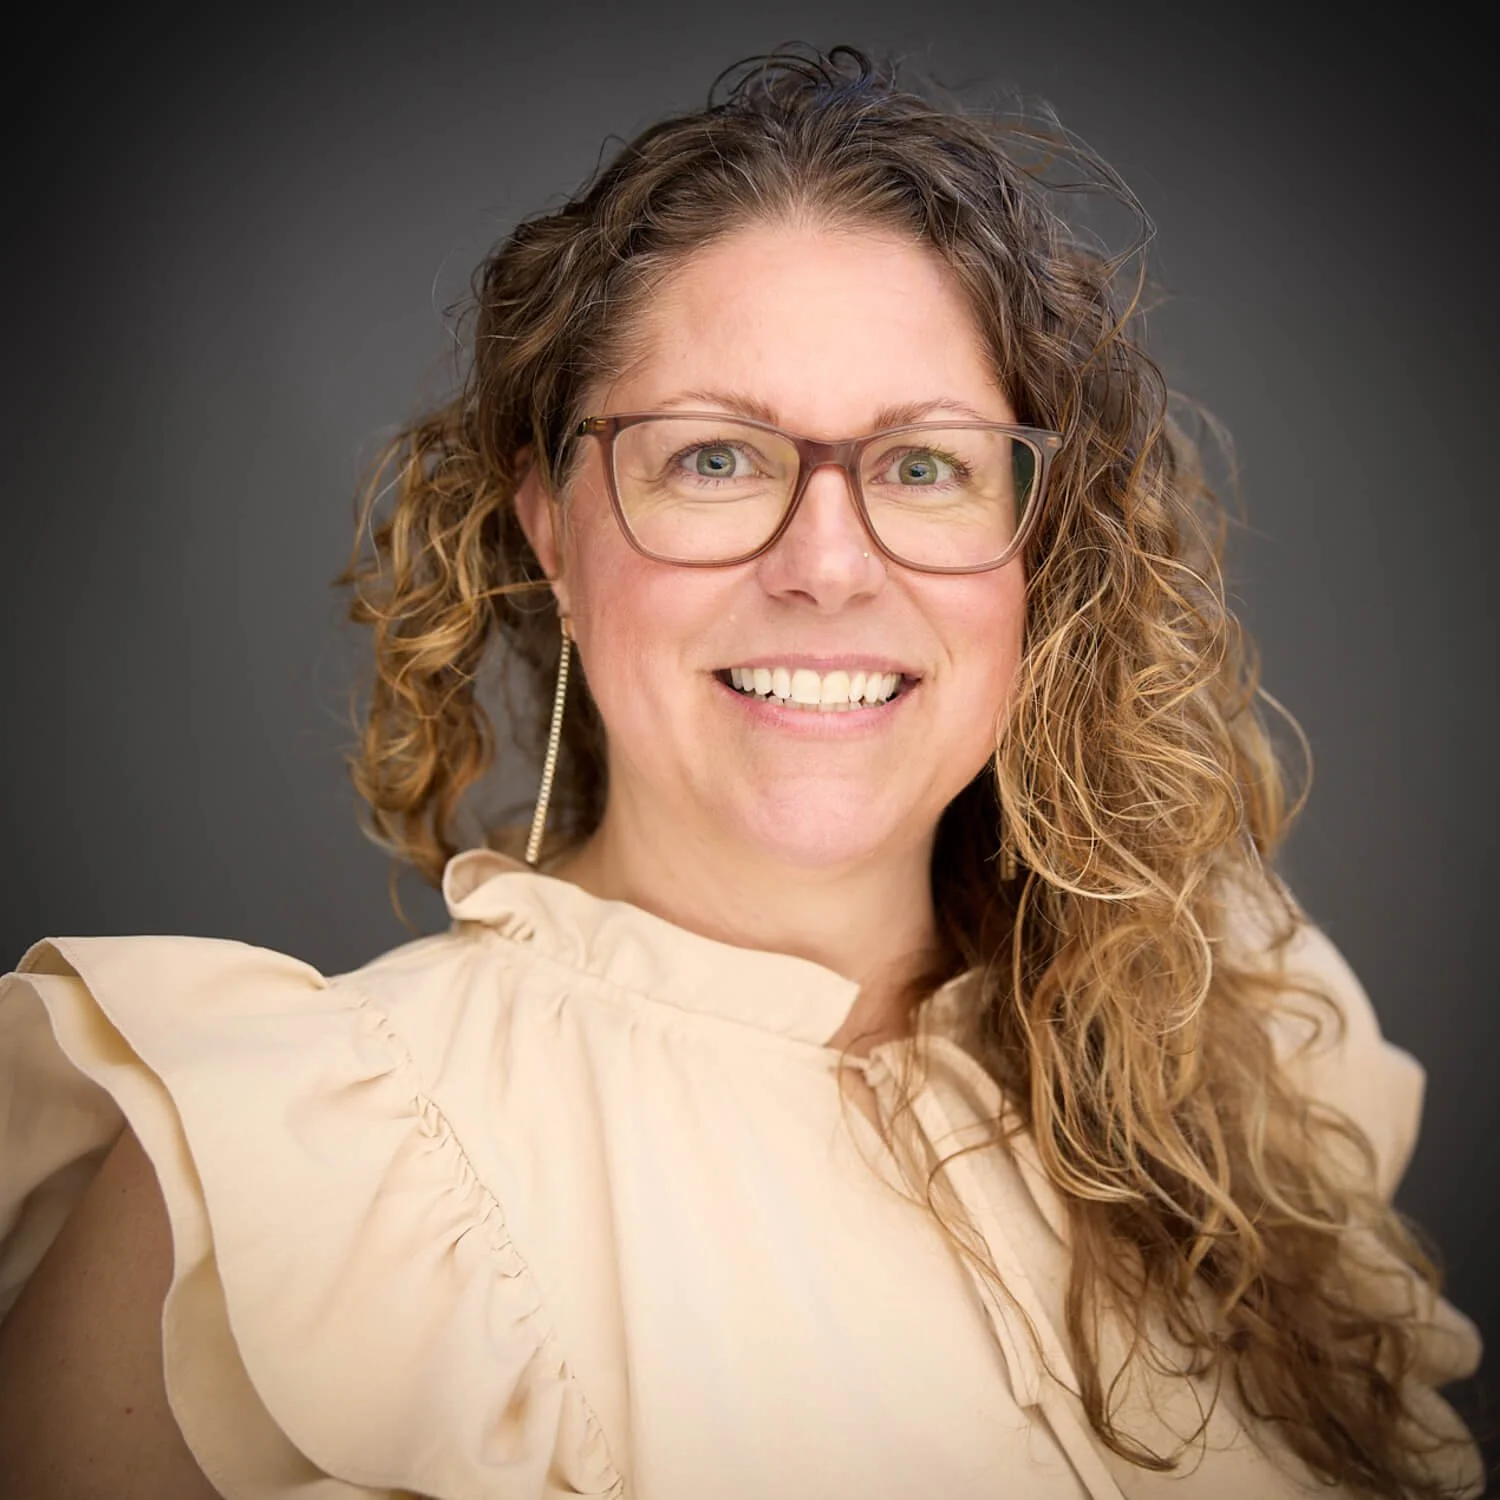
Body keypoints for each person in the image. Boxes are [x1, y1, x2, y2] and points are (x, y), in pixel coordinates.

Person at [0, 44, 1483, 1500]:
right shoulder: (282, 1178)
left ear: (1042, 552)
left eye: (925, 465)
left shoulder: (1237, 1048)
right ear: (552, 530)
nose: (826, 566)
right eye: (714, 458)